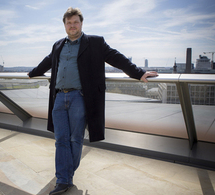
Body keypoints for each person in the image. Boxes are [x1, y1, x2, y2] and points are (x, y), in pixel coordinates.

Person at [28, 7, 158, 195]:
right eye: (69, 23)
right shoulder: (58, 45)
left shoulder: (95, 42)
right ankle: (64, 179)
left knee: (75, 138)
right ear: (64, 25)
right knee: (60, 139)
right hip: (58, 97)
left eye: (75, 22)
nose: (72, 26)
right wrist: (32, 73)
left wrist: (139, 73)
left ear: (81, 23)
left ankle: (64, 178)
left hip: (80, 97)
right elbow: (47, 62)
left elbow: (116, 57)